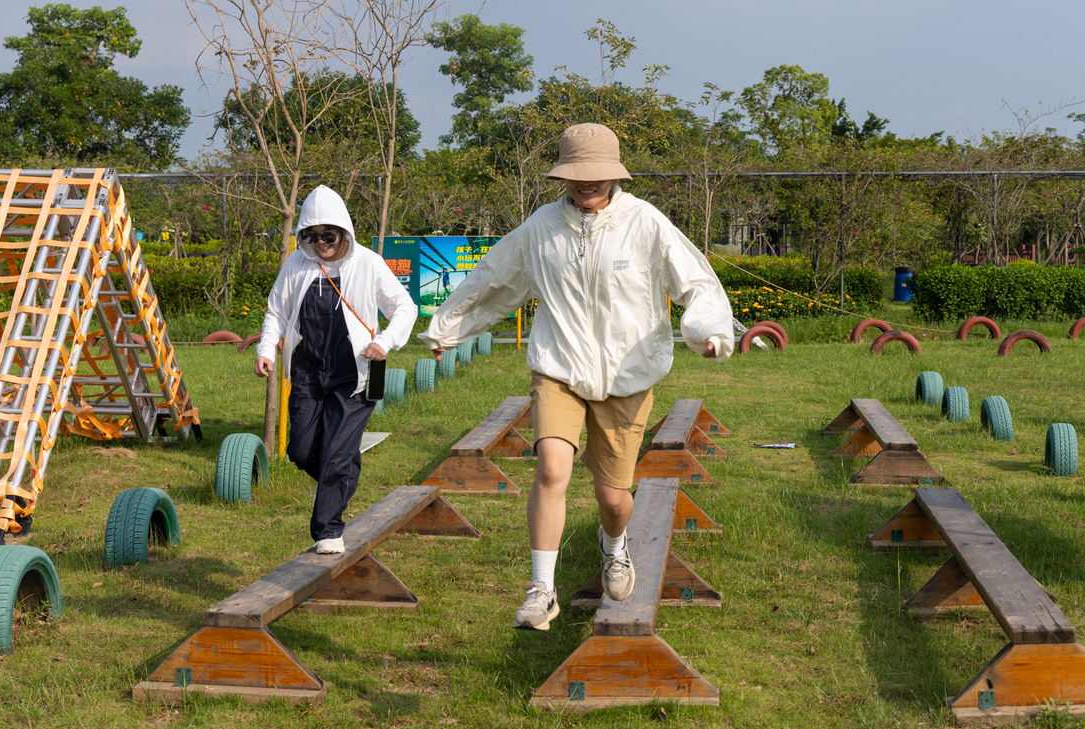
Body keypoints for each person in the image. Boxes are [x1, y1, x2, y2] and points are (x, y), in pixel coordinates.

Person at [419, 123, 733, 630]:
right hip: (558, 366)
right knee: (551, 469)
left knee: (613, 496)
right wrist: (446, 329)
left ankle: (615, 546)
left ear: (613, 175)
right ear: (562, 175)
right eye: (576, 175)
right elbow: (493, 280)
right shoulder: (541, 227)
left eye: (596, 175)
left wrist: (706, 330)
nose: (586, 184)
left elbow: (694, 282)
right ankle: (541, 589)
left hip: (627, 376)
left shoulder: (645, 223)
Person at [256, 185, 417, 554]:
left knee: (335, 456)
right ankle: (344, 472)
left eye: (328, 236)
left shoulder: (369, 264)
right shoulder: (297, 264)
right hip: (308, 373)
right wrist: (267, 348)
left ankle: (327, 530)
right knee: (300, 451)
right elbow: (276, 312)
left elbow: (404, 308)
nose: (321, 243)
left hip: (356, 375)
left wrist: (385, 342)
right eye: (312, 236)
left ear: (344, 231)